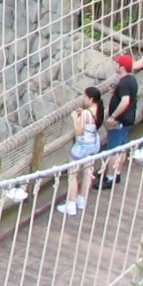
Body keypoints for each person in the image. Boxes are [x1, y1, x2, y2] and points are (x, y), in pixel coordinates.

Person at [57, 86, 105, 216]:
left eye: (85, 97)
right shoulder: (99, 110)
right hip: (94, 143)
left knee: (72, 174)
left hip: (83, 145)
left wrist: (75, 118)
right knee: (88, 171)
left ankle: (71, 204)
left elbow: (79, 131)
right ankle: (81, 200)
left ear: (90, 98)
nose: (84, 98)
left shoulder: (86, 114)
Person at [98, 53, 139, 190]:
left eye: (117, 63)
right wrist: (115, 93)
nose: (115, 65)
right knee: (122, 146)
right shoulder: (131, 79)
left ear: (121, 67)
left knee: (113, 149)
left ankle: (110, 177)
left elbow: (125, 101)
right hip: (128, 118)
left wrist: (113, 116)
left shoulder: (124, 82)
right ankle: (117, 173)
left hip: (120, 120)